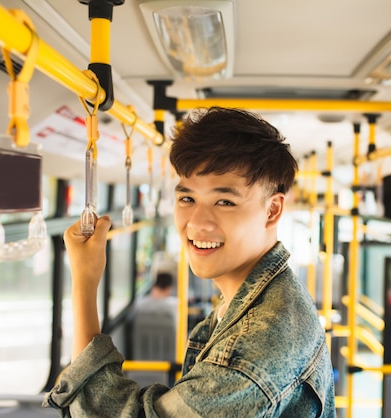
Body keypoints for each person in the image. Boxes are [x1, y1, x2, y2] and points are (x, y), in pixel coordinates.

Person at [44, 107, 336, 417]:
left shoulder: (255, 345)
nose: (197, 223)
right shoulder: (258, 300)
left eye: (225, 201)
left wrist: (84, 282)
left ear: (273, 211)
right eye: (187, 198)